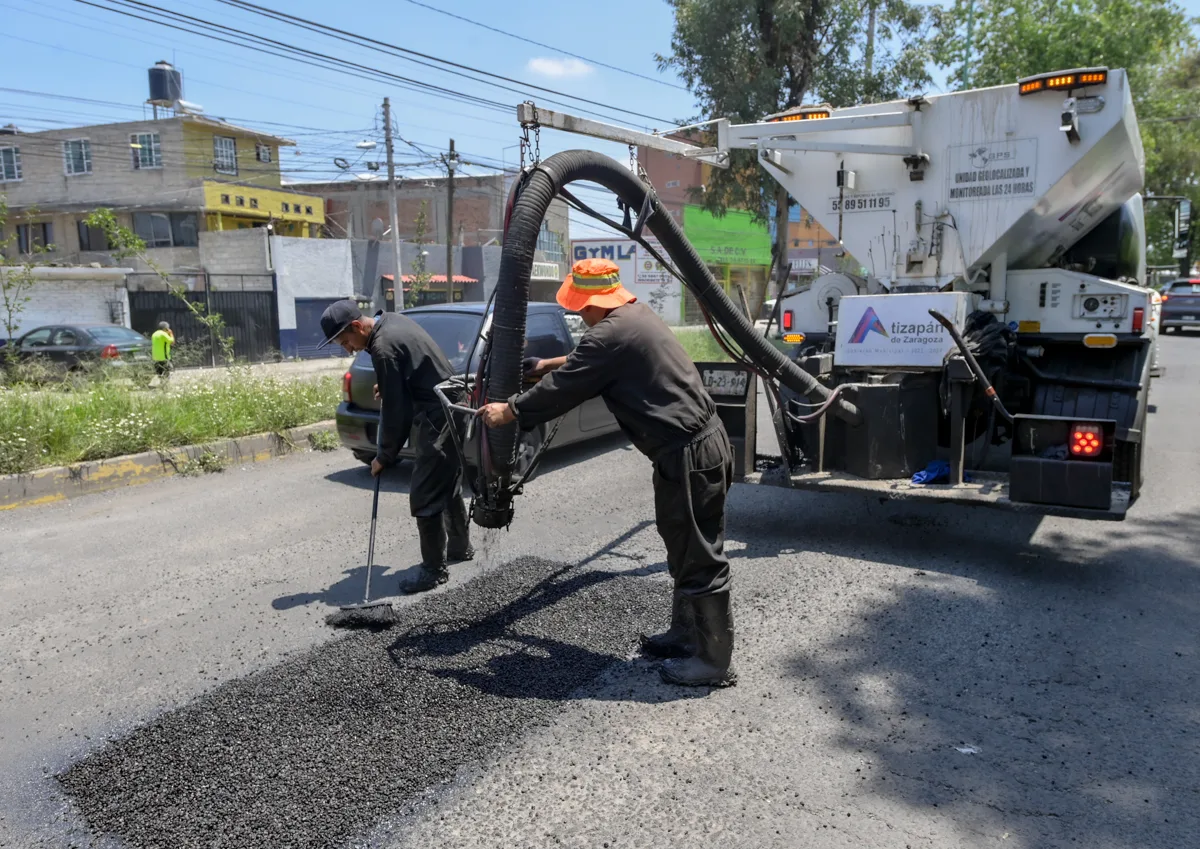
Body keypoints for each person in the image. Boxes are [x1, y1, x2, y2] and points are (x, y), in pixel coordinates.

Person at [477, 258, 737, 688]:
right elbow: (595, 356)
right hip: (697, 447)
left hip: (688, 454)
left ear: (593, 303)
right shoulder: (634, 316)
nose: (579, 314)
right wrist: (547, 364)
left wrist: (511, 411)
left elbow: (573, 382)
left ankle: (713, 662)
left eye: (580, 307)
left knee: (699, 554)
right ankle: (686, 634)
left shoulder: (609, 335)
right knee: (682, 543)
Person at [318, 300, 473, 593]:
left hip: (438, 415)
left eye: (346, 341)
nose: (347, 349)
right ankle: (460, 548)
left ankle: (433, 571)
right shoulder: (389, 322)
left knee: (425, 492)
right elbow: (408, 371)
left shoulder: (382, 347)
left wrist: (384, 456)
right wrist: (390, 385)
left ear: (356, 327)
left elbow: (395, 413)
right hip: (452, 406)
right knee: (446, 482)